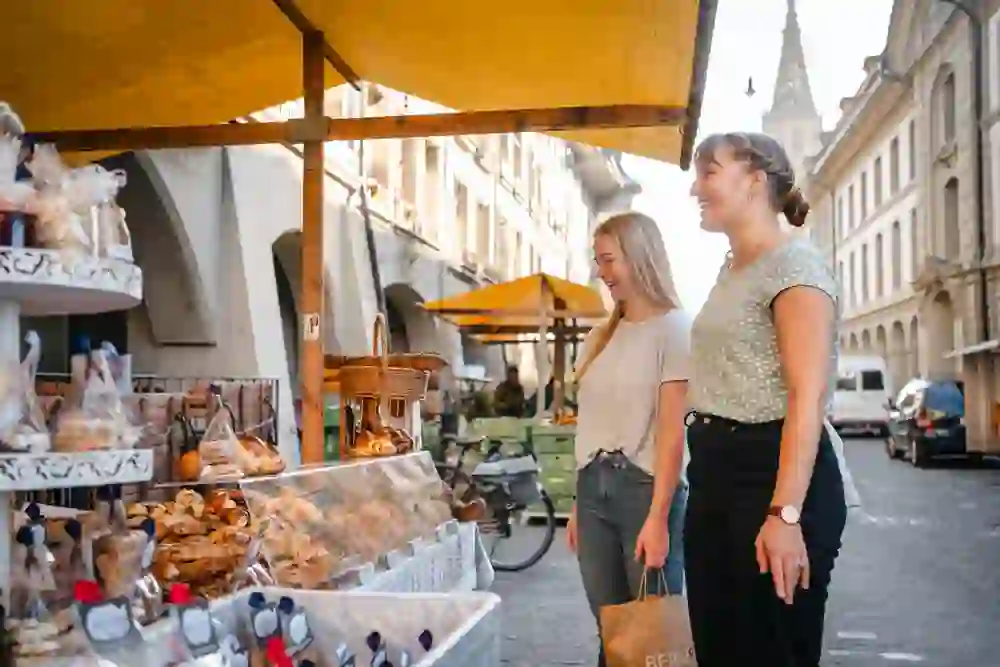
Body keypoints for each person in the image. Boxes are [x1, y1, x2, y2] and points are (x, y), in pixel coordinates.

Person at [685, 131, 848, 667]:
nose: (694, 189)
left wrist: (785, 515)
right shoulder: (732, 268)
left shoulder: (795, 268)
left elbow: (808, 396)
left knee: (770, 653)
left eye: (708, 171)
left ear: (755, 180)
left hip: (769, 477)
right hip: (715, 475)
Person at [566, 212, 690, 667]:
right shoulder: (601, 335)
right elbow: (588, 422)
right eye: (598, 261)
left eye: (609, 260)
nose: (602, 273)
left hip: (644, 490)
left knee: (651, 635)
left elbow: (672, 432)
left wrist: (659, 517)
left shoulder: (675, 329)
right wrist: (579, 505)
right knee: (614, 632)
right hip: (592, 488)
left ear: (638, 256)